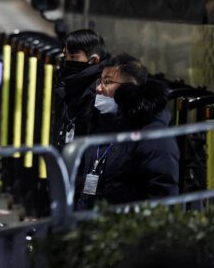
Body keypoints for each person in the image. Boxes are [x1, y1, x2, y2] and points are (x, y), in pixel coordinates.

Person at [75, 53, 180, 209]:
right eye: (100, 81)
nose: (98, 88)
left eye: (107, 82)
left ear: (130, 89)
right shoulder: (102, 123)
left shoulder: (153, 135)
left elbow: (162, 197)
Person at [55, 29, 110, 149]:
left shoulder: (102, 94)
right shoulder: (71, 88)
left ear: (94, 60)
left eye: (73, 57)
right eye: (65, 56)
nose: (67, 61)